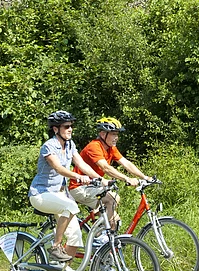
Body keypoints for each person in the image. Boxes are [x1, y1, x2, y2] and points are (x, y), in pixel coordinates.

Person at [28, 111, 101, 262]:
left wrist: (101, 179)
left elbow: (81, 164)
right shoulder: (49, 146)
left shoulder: (70, 145)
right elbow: (58, 168)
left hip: (59, 196)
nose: (70, 129)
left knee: (75, 236)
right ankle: (56, 246)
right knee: (70, 206)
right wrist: (78, 176)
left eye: (71, 126)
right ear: (56, 129)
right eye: (66, 126)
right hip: (41, 194)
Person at [70, 117, 150, 232]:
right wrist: (126, 178)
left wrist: (145, 177)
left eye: (117, 134)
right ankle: (101, 235)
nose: (116, 137)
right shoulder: (94, 146)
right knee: (112, 200)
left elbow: (126, 163)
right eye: (113, 134)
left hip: (94, 186)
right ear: (103, 134)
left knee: (115, 215)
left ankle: (101, 235)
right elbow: (105, 168)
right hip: (79, 186)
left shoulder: (111, 148)